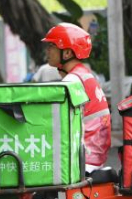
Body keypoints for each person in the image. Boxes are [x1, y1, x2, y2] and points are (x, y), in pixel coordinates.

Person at [42, 22, 111, 174]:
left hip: (83, 160)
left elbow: (56, 123)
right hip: (94, 155)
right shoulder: (84, 74)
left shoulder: (72, 81)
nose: (47, 51)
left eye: (51, 46)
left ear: (67, 53)